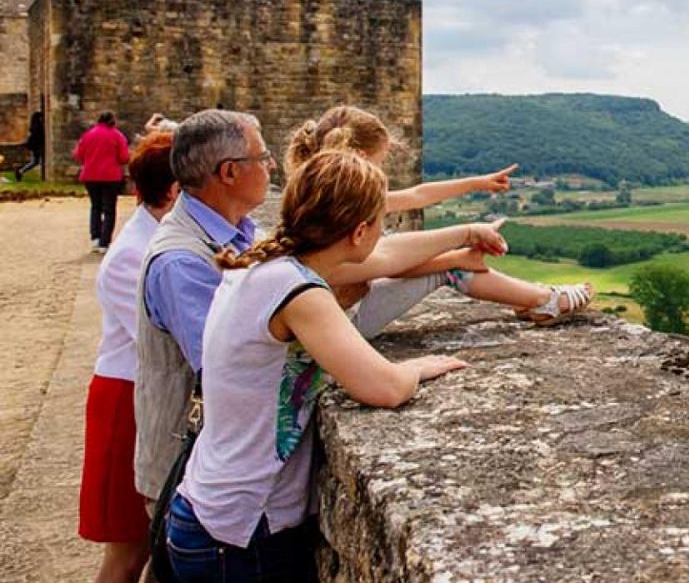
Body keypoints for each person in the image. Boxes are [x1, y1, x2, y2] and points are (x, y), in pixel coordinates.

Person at [134, 110, 504, 500]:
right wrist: (402, 367)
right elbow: (223, 369)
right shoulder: (184, 262)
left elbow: (380, 257)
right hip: (202, 477)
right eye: (261, 158)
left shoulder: (243, 238)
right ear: (228, 172)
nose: (273, 165)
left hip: (220, 484)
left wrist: (459, 240)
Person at [165, 149, 468, 581]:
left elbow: (389, 260)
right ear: (360, 232)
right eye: (381, 221)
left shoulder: (265, 265)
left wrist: (465, 235)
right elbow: (384, 387)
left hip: (214, 512)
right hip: (241, 531)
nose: (383, 233)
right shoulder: (297, 291)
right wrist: (417, 368)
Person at [285, 105, 594, 331]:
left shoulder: (317, 198)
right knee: (444, 270)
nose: (382, 172)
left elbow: (416, 198)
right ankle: (545, 300)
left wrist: (477, 183)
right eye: (381, 163)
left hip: (332, 315)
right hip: (336, 327)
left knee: (442, 262)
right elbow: (383, 263)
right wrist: (462, 245)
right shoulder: (339, 214)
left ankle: (540, 299)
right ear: (362, 160)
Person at [78, 131, 177, 583]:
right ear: (174, 191)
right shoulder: (131, 256)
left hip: (149, 398)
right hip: (126, 401)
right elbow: (160, 341)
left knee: (158, 545)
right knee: (127, 551)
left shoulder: (156, 239)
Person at [74, 111, 130, 251]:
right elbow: (124, 157)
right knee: (109, 209)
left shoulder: (88, 135)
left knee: (96, 207)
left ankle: (95, 237)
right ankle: (104, 242)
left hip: (90, 175)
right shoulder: (117, 135)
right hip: (111, 176)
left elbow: (78, 155)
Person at [13, 109, 43, 181]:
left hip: (34, 146)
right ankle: (20, 170)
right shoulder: (37, 126)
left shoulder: (34, 125)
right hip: (36, 146)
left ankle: (20, 170)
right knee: (36, 162)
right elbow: (38, 136)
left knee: (35, 161)